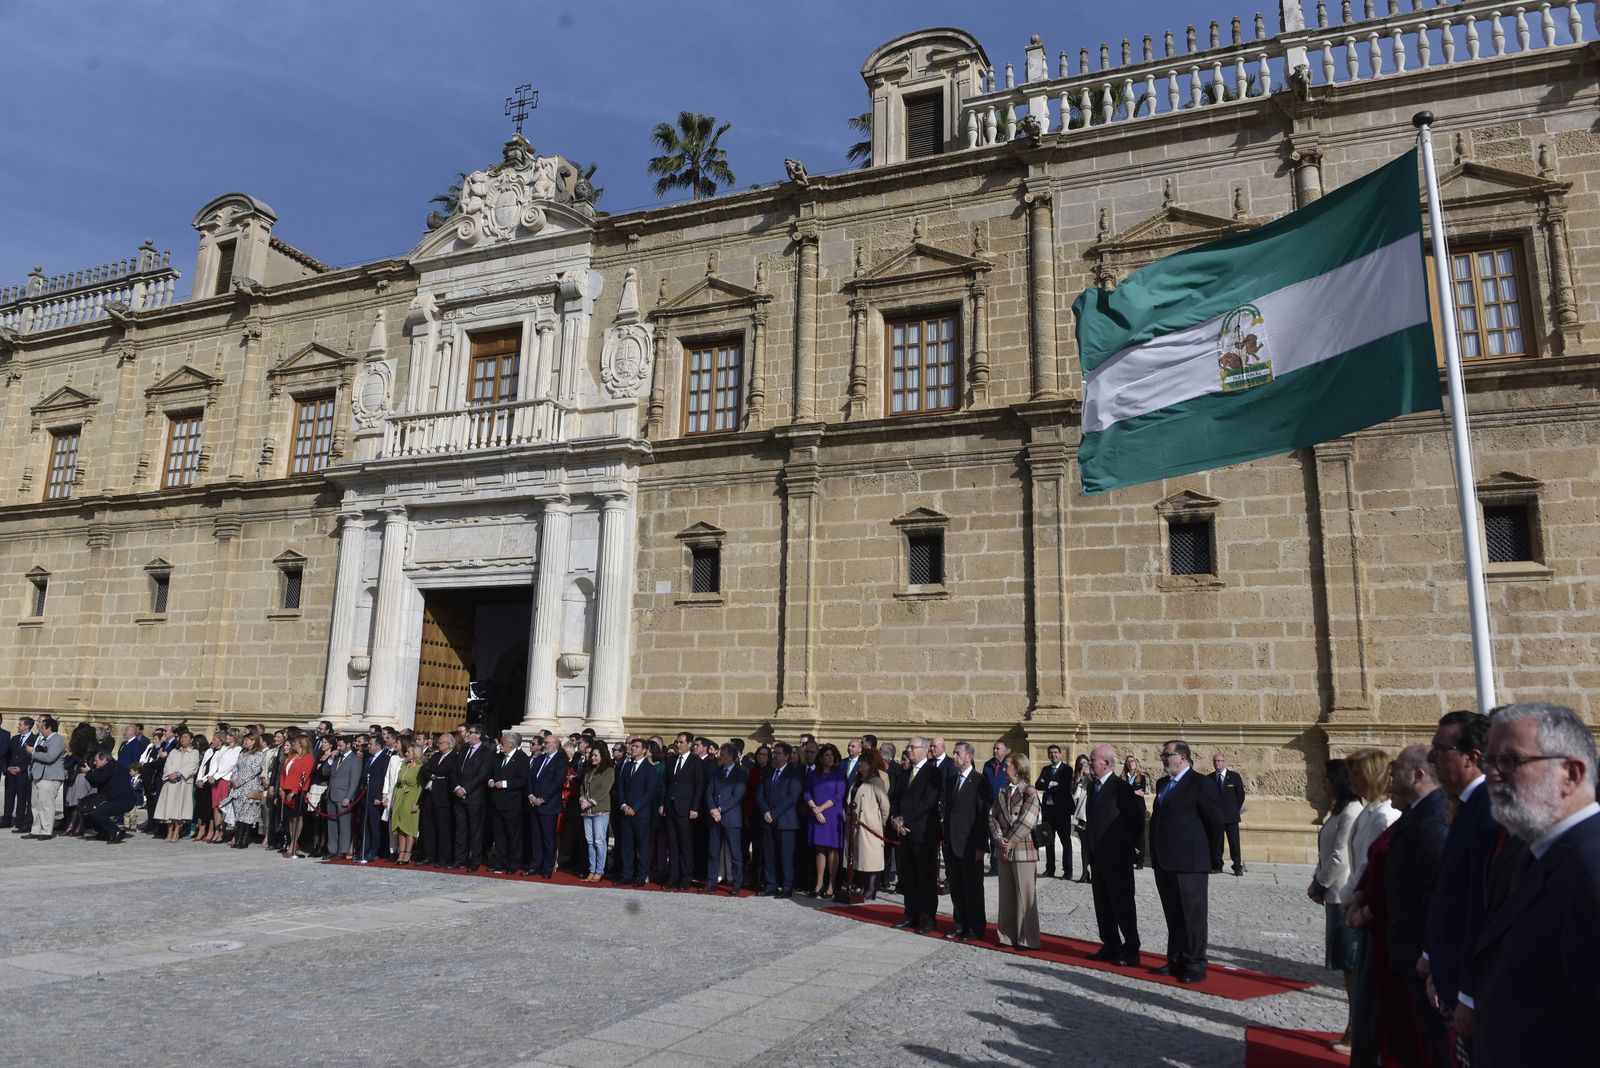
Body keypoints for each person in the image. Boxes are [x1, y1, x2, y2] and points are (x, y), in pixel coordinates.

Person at [1473, 701, 1600, 1062]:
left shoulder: (1591, 869)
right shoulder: (1534, 853)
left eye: (1510, 761)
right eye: (1489, 763)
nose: (1492, 775)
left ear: (1571, 775)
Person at [1420, 709, 1498, 1056]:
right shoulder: (1467, 806)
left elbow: (1477, 906)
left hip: (1472, 995)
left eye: (1440, 747)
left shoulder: (1486, 811)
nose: (1432, 756)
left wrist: (1468, 993)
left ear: (1472, 757)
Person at [1381, 744, 1448, 1065]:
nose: (1390, 776)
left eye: (1397, 769)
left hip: (1424, 956)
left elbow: (1437, 893)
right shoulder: (1418, 813)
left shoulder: (1433, 819)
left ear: (1418, 775)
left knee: (1437, 1042)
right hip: (1409, 950)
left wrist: (1429, 954)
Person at [1339, 747, 1401, 1066]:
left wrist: (1350, 900)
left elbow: (1369, 867)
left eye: (1357, 772)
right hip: (1358, 908)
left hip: (1371, 915)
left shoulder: (1385, 815)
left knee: (1371, 996)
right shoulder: (1369, 811)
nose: (1351, 778)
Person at [1148, 739, 1223, 983]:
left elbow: (1214, 823)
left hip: (1191, 862)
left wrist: (1214, 858)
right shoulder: (1163, 784)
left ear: (1182, 757)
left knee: (1193, 915)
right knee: (1174, 915)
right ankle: (1176, 959)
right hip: (1165, 861)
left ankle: (1196, 963)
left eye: (1166, 754)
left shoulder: (1200, 783)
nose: (1163, 758)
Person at [1309, 759, 1363, 1055]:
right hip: (1334, 894)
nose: (1323, 784)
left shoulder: (1352, 811)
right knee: (1346, 965)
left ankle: (1356, 1029)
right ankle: (1354, 1025)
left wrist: (1320, 883)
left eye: (1326, 779)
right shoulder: (1340, 810)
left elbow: (1341, 856)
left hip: (1342, 895)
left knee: (1352, 965)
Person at [1085, 744, 1143, 966]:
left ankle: (1131, 950)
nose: (1090, 763)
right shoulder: (1093, 787)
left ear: (1106, 763)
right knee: (1103, 905)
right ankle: (1110, 944)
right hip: (1098, 856)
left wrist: (1130, 845)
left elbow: (1135, 820)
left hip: (1117, 857)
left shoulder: (1121, 788)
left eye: (1093, 760)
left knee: (1123, 906)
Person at [990, 751, 1043, 950]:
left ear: (1018, 768)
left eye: (1008, 765)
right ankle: (1006, 935)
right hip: (1004, 848)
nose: (1004, 768)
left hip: (1022, 848)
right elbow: (992, 815)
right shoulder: (1003, 790)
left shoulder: (1029, 791)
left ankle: (1027, 938)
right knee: (1007, 895)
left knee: (1025, 895)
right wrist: (998, 838)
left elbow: (1028, 820)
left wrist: (1009, 840)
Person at [892, 737, 943, 934]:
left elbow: (927, 802)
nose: (909, 750)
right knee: (909, 877)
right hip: (904, 833)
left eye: (912, 747)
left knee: (926, 878)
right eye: (908, 747)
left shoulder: (933, 773)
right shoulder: (905, 773)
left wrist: (905, 820)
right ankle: (910, 914)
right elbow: (896, 798)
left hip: (923, 834)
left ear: (923, 749)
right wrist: (896, 819)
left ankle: (928, 918)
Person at [942, 742, 990, 940]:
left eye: (957, 753)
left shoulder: (980, 781)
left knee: (973, 889)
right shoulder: (951, 780)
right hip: (952, 843)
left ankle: (976, 927)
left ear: (969, 756)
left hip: (970, 845)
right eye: (953, 753)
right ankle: (960, 924)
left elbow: (983, 815)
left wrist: (981, 846)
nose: (954, 756)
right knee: (957, 888)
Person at [757, 741, 803, 897]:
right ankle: (771, 885)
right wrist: (765, 811)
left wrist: (774, 814)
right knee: (769, 854)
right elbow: (760, 793)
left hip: (786, 822)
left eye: (777, 753)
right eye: (774, 753)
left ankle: (787, 886)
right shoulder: (769, 772)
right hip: (767, 819)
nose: (774, 756)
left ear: (786, 756)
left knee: (786, 856)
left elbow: (792, 797)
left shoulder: (794, 773)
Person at [660, 732, 706, 890]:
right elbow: (665, 784)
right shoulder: (671, 760)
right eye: (677, 742)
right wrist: (663, 803)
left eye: (681, 742)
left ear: (689, 744)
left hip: (686, 809)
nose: (678, 745)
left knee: (685, 845)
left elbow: (699, 786)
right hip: (670, 808)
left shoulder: (696, 762)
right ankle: (673, 875)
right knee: (672, 844)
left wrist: (695, 807)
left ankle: (686, 877)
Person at [803, 743, 847, 899]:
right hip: (816, 815)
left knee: (832, 850)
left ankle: (831, 884)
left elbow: (838, 795)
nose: (830, 758)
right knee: (819, 849)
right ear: (820, 758)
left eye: (832, 755)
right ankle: (819, 882)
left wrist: (820, 809)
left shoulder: (840, 773)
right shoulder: (813, 775)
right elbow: (807, 793)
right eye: (827, 755)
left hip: (832, 815)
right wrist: (815, 808)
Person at [525, 731, 568, 878]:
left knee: (548, 838)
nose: (544, 745)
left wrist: (542, 798)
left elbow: (557, 782)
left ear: (555, 745)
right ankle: (535, 865)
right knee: (536, 837)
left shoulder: (561, 760)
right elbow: (530, 778)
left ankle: (547, 868)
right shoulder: (539, 759)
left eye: (547, 743)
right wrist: (530, 794)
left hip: (548, 805)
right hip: (534, 804)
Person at [705, 742, 746, 892]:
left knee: (735, 853)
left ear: (732, 757)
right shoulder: (717, 772)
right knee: (713, 851)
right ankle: (711, 881)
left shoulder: (741, 773)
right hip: (714, 817)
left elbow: (737, 795)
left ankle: (736, 883)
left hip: (731, 818)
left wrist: (720, 809)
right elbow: (709, 792)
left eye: (723, 754)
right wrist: (712, 809)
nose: (720, 756)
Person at [487, 731, 530, 874]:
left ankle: (513, 863)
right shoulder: (499, 757)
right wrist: (491, 780)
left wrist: (504, 783)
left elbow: (522, 780)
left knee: (513, 835)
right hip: (497, 802)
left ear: (511, 744)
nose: (501, 745)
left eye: (503, 743)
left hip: (511, 803)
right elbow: (491, 773)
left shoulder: (521, 758)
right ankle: (500, 862)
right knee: (498, 834)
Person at [852, 748, 891, 901]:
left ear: (870, 764)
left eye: (863, 762)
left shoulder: (876, 781)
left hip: (870, 826)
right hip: (856, 825)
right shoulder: (857, 780)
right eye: (860, 761)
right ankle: (861, 885)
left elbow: (885, 805)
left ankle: (871, 888)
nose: (860, 764)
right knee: (859, 858)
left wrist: (880, 823)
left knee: (871, 859)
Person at [615, 737, 655, 886]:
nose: (632, 748)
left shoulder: (649, 768)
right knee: (627, 845)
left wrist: (635, 808)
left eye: (636, 746)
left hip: (641, 814)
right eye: (632, 746)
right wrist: (624, 805)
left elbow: (649, 792)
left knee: (642, 845)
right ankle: (627, 874)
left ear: (644, 750)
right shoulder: (626, 767)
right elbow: (621, 789)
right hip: (626, 812)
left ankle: (642, 875)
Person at [452, 725, 491, 871]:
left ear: (478, 735)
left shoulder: (486, 752)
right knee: (460, 830)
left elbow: (482, 775)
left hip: (474, 797)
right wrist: (457, 788)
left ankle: (474, 861)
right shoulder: (463, 750)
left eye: (471, 732)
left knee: (475, 831)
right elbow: (455, 771)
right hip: (459, 796)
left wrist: (466, 789)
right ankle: (459, 859)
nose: (467, 735)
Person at [1034, 744, 1073, 879]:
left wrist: (1047, 784)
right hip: (1048, 811)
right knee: (1048, 841)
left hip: (1062, 812)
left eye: (1055, 752)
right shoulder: (1045, 769)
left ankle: (1068, 870)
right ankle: (1050, 869)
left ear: (1060, 754)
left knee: (1065, 841)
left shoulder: (1067, 769)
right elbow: (1038, 784)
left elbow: (1064, 787)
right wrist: (1051, 784)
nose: (1053, 755)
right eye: (1050, 753)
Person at [81, 749, 136, 843]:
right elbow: (96, 783)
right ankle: (104, 832)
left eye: (96, 760)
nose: (94, 763)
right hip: (116, 799)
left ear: (104, 760)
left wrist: (89, 772)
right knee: (89, 810)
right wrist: (90, 773)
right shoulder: (109, 766)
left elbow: (99, 779)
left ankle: (116, 832)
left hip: (122, 800)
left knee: (97, 813)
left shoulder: (111, 766)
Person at [222, 735, 267, 849]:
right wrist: (234, 780)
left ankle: (244, 839)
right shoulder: (242, 753)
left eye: (247, 740)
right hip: (238, 789)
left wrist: (241, 781)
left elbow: (255, 770)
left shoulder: (259, 754)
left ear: (253, 741)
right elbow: (236, 768)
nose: (245, 742)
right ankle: (238, 838)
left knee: (246, 815)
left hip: (250, 787)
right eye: (245, 739)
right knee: (239, 814)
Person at [154, 729, 199, 844]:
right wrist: (170, 775)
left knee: (179, 808)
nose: (183, 739)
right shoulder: (174, 752)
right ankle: (169, 831)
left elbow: (192, 767)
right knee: (169, 807)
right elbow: (168, 765)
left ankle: (176, 831)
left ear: (191, 740)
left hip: (183, 783)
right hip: (170, 783)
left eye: (186, 737)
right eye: (182, 737)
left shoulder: (194, 753)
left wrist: (179, 776)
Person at [419, 733, 457, 867]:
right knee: (428, 829)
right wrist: (434, 775)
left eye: (441, 743)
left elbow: (447, 772)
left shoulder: (454, 757)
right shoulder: (435, 756)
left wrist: (434, 773)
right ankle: (429, 856)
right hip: (429, 795)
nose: (438, 745)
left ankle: (443, 858)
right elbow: (424, 769)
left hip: (443, 798)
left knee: (443, 830)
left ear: (449, 745)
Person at [579, 742, 614, 882]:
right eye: (592, 755)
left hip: (600, 809)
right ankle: (592, 869)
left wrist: (591, 801)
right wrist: (582, 798)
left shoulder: (609, 770)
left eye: (595, 755)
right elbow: (583, 786)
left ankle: (599, 870)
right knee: (590, 841)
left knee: (599, 841)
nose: (592, 757)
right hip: (586, 810)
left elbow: (604, 789)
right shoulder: (589, 770)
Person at [355, 735, 392, 864]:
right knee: (364, 825)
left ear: (378, 745)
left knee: (374, 826)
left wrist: (379, 796)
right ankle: (363, 850)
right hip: (365, 796)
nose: (368, 746)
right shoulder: (369, 758)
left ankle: (374, 851)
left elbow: (384, 778)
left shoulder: (384, 758)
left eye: (370, 744)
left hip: (375, 797)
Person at [1207, 753, 1246, 875]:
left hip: (1231, 817)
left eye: (1220, 761)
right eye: (1216, 761)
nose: (1218, 763)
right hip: (1216, 817)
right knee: (1217, 843)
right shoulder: (1209, 778)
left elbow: (1240, 796)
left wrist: (1234, 809)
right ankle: (1217, 865)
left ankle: (1237, 867)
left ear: (1225, 762)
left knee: (1234, 843)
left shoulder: (1234, 777)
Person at [388, 743, 425, 865]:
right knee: (400, 826)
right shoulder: (404, 765)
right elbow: (397, 782)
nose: (406, 754)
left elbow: (421, 787)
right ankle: (401, 851)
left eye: (409, 752)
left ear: (415, 754)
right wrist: (393, 800)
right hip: (400, 796)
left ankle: (408, 852)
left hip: (412, 797)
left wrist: (418, 803)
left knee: (408, 827)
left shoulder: (420, 767)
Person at [324, 735, 360, 860]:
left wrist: (348, 797)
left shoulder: (354, 760)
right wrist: (330, 759)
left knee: (344, 824)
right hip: (332, 794)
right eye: (337, 745)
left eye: (341, 745)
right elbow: (325, 772)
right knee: (331, 824)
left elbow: (354, 780)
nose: (338, 748)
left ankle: (343, 850)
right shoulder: (337, 758)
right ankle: (332, 849)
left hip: (343, 796)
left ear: (349, 745)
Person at [277, 735, 313, 858]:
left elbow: (304, 776)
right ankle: (293, 842)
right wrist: (281, 787)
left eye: (295, 743)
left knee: (297, 817)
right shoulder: (292, 757)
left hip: (297, 791)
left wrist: (295, 790)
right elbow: (283, 773)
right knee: (290, 819)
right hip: (286, 789)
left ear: (302, 744)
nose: (293, 745)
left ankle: (293, 844)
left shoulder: (307, 758)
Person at [982, 740, 1011, 875]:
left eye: (998, 749)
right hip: (989, 805)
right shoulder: (988, 765)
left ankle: (1005, 863)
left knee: (1003, 835)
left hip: (1004, 805)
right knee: (992, 834)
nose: (995, 751)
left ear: (1004, 751)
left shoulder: (1010, 764)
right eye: (994, 748)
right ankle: (994, 866)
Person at [6, 716, 37, 833]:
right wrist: (8, 767)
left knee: (22, 798)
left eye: (20, 724)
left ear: (27, 726)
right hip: (11, 772)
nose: (18, 726)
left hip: (23, 774)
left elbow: (33, 758)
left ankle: (20, 821)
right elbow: (9, 754)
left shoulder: (35, 739)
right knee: (9, 796)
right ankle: (6, 818)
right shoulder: (15, 738)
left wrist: (22, 768)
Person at [1070, 754, 1094, 884]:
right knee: (1084, 846)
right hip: (1079, 814)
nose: (1083, 766)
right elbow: (1072, 793)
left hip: (1090, 815)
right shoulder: (1076, 778)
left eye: (1086, 763)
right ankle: (1085, 872)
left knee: (1092, 846)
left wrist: (1088, 775)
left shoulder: (1093, 776)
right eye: (1081, 764)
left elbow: (1095, 787)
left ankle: (1094, 872)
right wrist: (1078, 779)